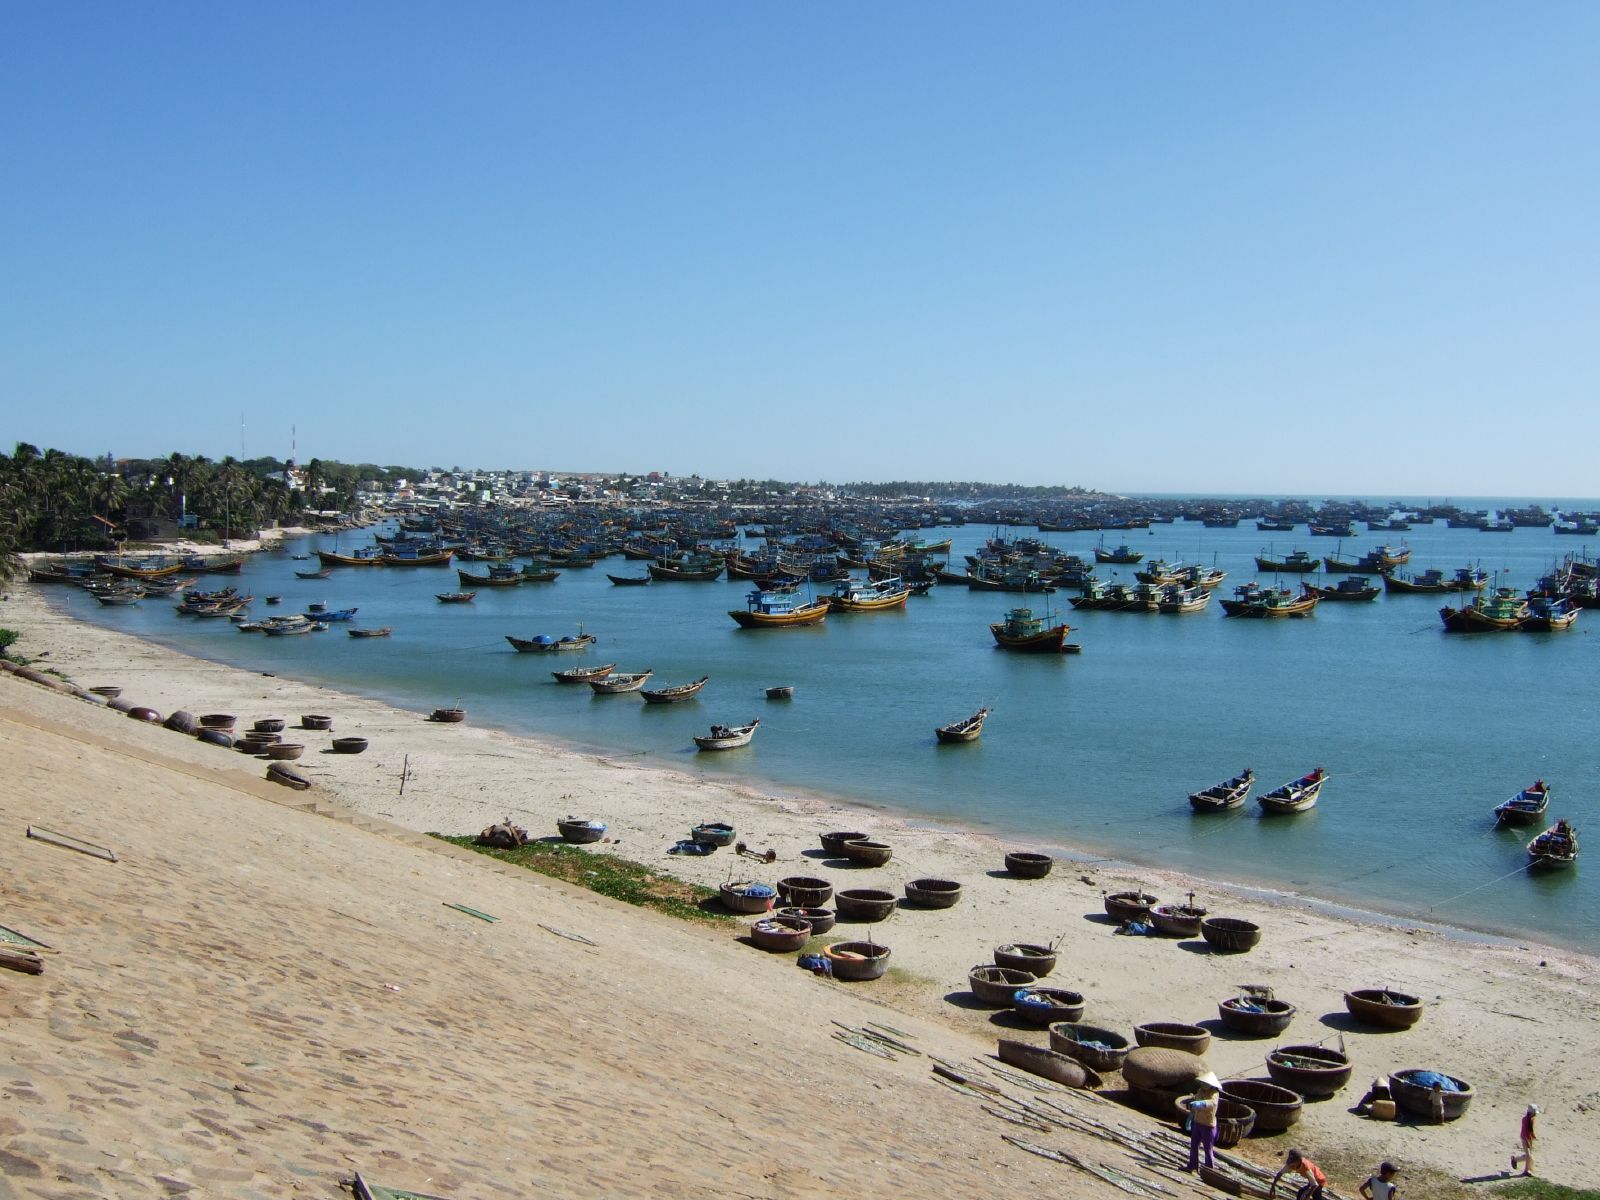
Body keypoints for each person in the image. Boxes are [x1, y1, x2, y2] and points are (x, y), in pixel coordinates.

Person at [1179, 1079, 1220, 1172]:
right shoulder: (1201, 1090)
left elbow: (1212, 1103)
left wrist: (1201, 1103)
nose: (1203, 1085)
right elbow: (1195, 1102)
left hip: (1208, 1125)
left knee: (1207, 1149)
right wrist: (1191, 1115)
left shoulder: (1214, 1093)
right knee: (1194, 1145)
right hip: (1198, 1122)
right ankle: (1192, 1166)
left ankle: (1209, 1169)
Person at [1511, 1105, 1538, 1176]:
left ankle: (1515, 1160)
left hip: (1529, 1138)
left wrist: (1532, 1139)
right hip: (1524, 1138)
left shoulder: (1532, 1119)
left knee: (1529, 1156)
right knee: (1529, 1155)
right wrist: (1529, 1141)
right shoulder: (1526, 1120)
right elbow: (1527, 1132)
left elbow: (1531, 1131)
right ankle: (1527, 1170)